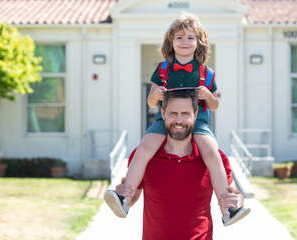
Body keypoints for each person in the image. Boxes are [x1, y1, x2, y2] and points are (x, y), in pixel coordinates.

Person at [104, 12, 250, 226]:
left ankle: (227, 208)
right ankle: (124, 198)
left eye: (190, 37)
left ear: (198, 42)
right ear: (170, 42)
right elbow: (151, 102)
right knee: (144, 148)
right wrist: (156, 95)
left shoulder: (206, 73)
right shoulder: (163, 69)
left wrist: (207, 95)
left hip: (197, 120)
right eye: (179, 37)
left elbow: (215, 105)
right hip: (165, 119)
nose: (184, 42)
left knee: (211, 152)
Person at [114, 89, 250, 239]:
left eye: (185, 113)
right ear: (163, 113)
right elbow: (132, 199)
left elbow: (235, 194)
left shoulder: (213, 158)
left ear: (196, 115)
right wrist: (124, 193)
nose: (179, 120)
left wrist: (237, 200)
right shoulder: (144, 156)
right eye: (173, 113)